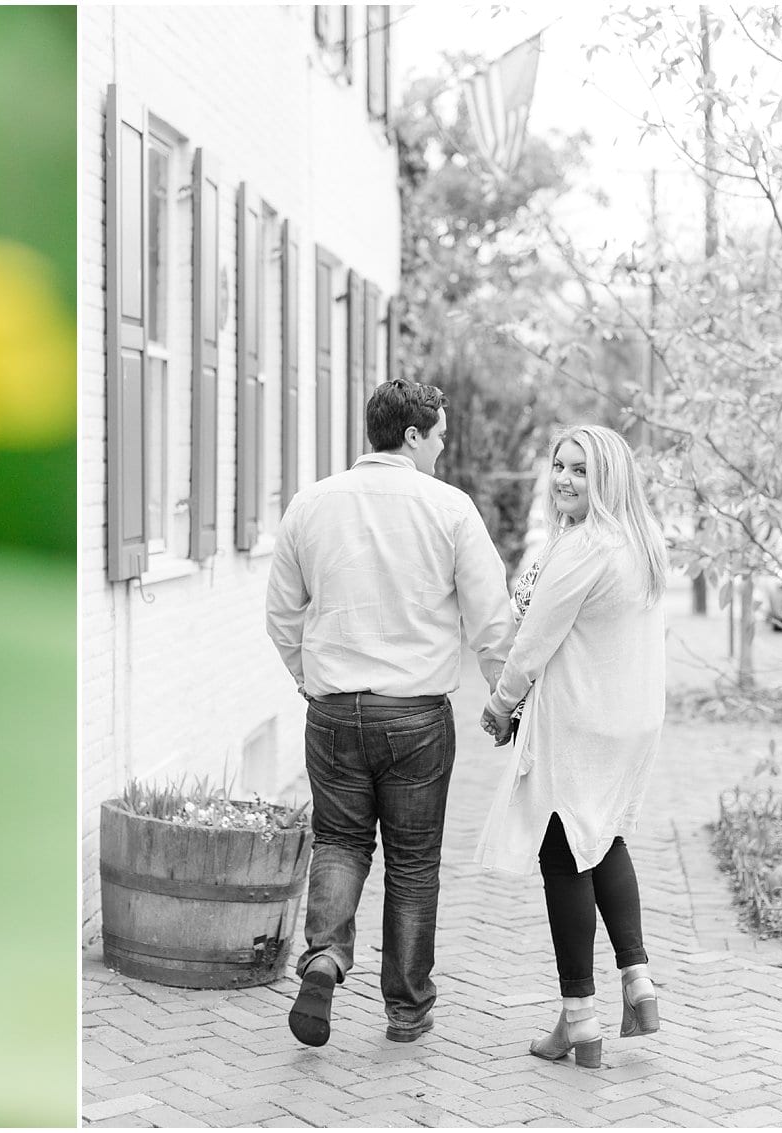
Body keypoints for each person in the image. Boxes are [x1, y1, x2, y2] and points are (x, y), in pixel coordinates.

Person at [266, 378, 515, 1046]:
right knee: (411, 863)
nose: (440, 446)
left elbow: (280, 612)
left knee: (341, 841)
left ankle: (323, 954)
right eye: (437, 434)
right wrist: (506, 698)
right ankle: (405, 1010)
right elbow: (491, 621)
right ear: (411, 434)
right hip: (415, 717)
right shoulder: (449, 508)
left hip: (332, 712)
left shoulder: (310, 504)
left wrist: (306, 677)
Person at [475, 424, 668, 1070]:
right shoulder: (638, 542)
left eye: (579, 470)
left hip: (580, 720)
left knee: (563, 855)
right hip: (628, 718)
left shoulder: (585, 545)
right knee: (602, 836)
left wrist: (499, 705)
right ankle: (636, 980)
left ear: (605, 477)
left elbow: (533, 642)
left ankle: (581, 1015)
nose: (563, 478)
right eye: (558, 465)